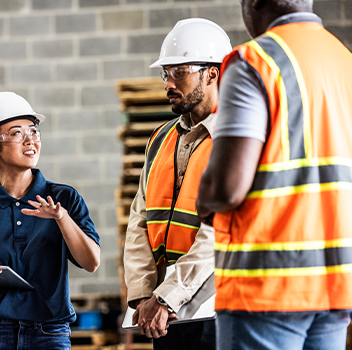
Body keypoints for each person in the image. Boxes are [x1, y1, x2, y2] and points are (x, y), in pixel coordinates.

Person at [196, 0, 352, 349]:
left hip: (269, 283)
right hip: (339, 283)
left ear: (253, 4)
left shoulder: (255, 62)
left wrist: (204, 201)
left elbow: (226, 188)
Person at [0, 91, 101, 350]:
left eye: (33, 131)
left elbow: (91, 263)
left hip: (49, 332)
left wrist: (61, 217)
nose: (30, 140)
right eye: (17, 133)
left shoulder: (64, 197)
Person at [123, 18, 231, 350]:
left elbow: (220, 231)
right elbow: (139, 219)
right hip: (164, 314)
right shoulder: (160, 139)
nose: (169, 83)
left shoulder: (233, 140)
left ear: (211, 73)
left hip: (216, 310)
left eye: (179, 72)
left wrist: (168, 297)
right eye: (165, 74)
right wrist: (143, 295)